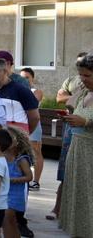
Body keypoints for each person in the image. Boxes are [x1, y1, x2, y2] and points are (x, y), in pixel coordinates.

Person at [57, 55, 93, 237]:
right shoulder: (85, 93)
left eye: (87, 75)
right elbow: (69, 103)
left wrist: (86, 121)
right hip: (77, 148)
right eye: (81, 75)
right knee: (78, 193)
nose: (82, 80)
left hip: (90, 151)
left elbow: (86, 120)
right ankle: (80, 231)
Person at [0, 57, 40, 135]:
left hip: (16, 137)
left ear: (4, 71)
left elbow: (34, 117)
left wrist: (24, 134)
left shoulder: (21, 90)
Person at [2, 126, 35, 238]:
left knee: (7, 218)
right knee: (10, 221)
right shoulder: (1, 156)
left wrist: (12, 180)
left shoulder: (21, 159)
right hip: (4, 193)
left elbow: (29, 177)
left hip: (15, 194)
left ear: (16, 142)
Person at [20, 67, 45, 190]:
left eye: (27, 77)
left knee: (36, 152)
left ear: (32, 78)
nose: (24, 80)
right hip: (20, 124)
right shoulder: (18, 90)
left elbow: (32, 103)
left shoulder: (36, 91)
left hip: (34, 124)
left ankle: (36, 181)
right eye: (22, 78)